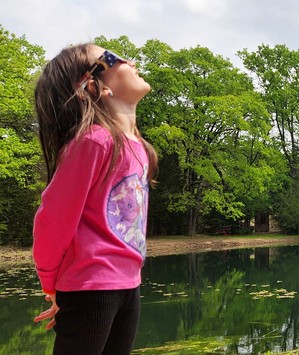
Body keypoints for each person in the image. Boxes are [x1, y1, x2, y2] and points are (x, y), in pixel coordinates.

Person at [31, 43, 158, 354]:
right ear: (93, 86)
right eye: (113, 58)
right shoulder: (94, 141)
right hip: (90, 285)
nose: (129, 60)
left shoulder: (139, 147)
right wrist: (50, 285)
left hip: (129, 283)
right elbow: (54, 220)